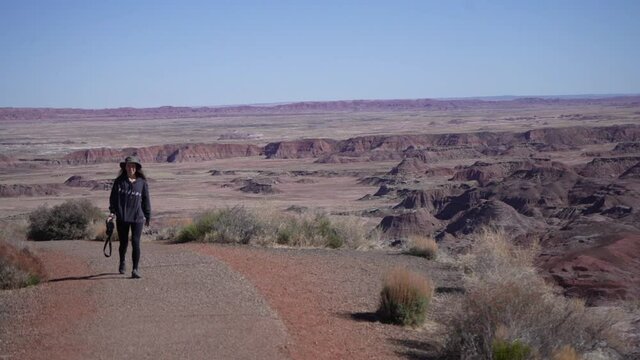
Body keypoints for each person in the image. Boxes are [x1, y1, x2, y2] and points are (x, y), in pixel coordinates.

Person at [108, 156, 151, 279]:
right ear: (125, 167)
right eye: (129, 166)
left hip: (137, 217)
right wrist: (112, 212)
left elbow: (146, 200)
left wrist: (147, 215)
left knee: (136, 243)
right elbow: (113, 199)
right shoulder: (119, 182)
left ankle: (135, 269)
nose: (131, 168)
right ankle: (122, 261)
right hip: (122, 217)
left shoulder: (142, 183)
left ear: (136, 167)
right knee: (124, 243)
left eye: (133, 166)